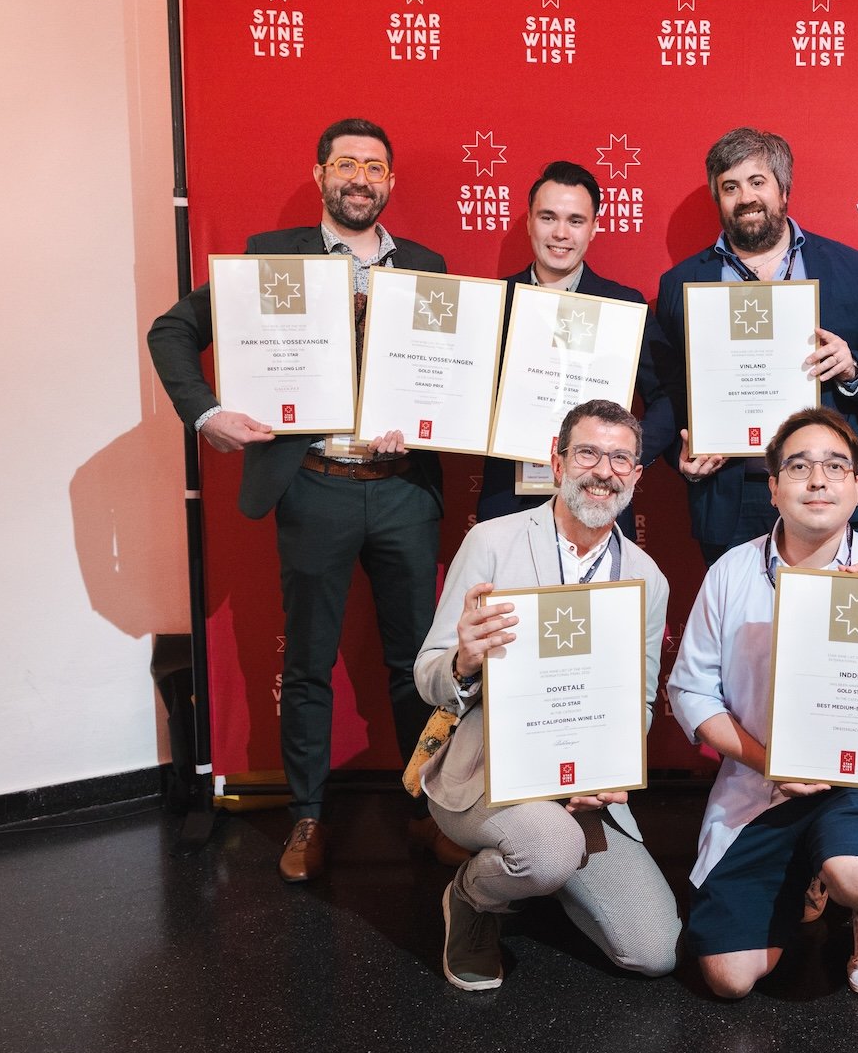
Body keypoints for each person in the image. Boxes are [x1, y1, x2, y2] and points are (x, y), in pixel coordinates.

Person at [147, 118, 453, 881]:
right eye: (345, 164)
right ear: (320, 176)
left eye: (374, 167)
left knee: (418, 664)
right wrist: (206, 414)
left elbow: (446, 375)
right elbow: (171, 330)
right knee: (309, 664)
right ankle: (307, 817)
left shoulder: (426, 267)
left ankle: (427, 811)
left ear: (390, 183)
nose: (360, 178)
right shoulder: (271, 259)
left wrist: (429, 421)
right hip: (315, 486)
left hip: (403, 493)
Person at [668, 407, 858, 999]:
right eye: (799, 467)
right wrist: (769, 760)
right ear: (773, 487)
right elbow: (690, 692)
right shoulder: (731, 572)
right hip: (763, 783)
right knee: (729, 979)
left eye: (835, 468)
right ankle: (808, 872)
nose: (817, 481)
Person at [413, 400, 681, 989]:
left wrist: (606, 769)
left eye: (620, 459)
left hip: (584, 792)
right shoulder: (492, 542)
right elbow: (428, 673)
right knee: (551, 849)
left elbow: (638, 704)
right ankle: (474, 897)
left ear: (637, 475)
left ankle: (540, 873)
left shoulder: (647, 578)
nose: (603, 471)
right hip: (488, 774)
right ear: (556, 462)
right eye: (587, 453)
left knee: (654, 950)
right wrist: (463, 660)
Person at [653, 127, 858, 563]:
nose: (745, 198)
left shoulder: (851, 270)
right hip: (730, 496)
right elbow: (665, 391)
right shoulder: (679, 285)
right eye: (730, 187)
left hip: (827, 489)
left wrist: (853, 368)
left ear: (784, 190)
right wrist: (680, 454)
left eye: (757, 182)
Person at [475, 161, 670, 536]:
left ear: (594, 227)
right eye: (548, 217)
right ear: (530, 222)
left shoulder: (623, 307)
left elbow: (668, 393)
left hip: (600, 499)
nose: (560, 233)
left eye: (575, 220)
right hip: (508, 502)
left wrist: (621, 453)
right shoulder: (494, 302)